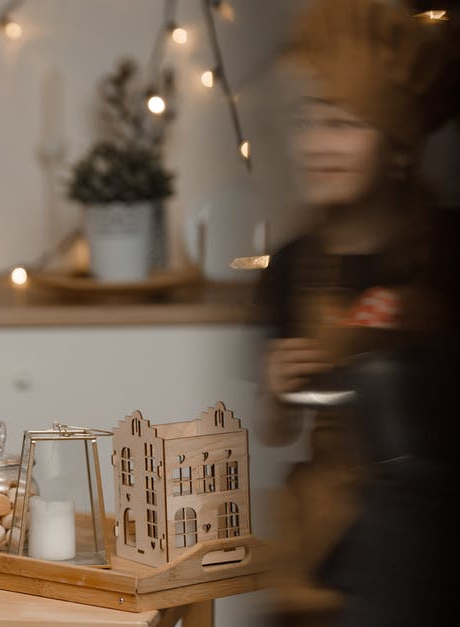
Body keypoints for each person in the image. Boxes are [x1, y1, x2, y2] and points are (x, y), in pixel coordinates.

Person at [255, 1, 458, 625]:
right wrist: (279, 389)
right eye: (308, 123)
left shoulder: (446, 250)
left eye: (343, 125)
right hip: (329, 524)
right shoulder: (290, 264)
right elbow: (276, 431)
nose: (318, 145)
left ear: (396, 148)